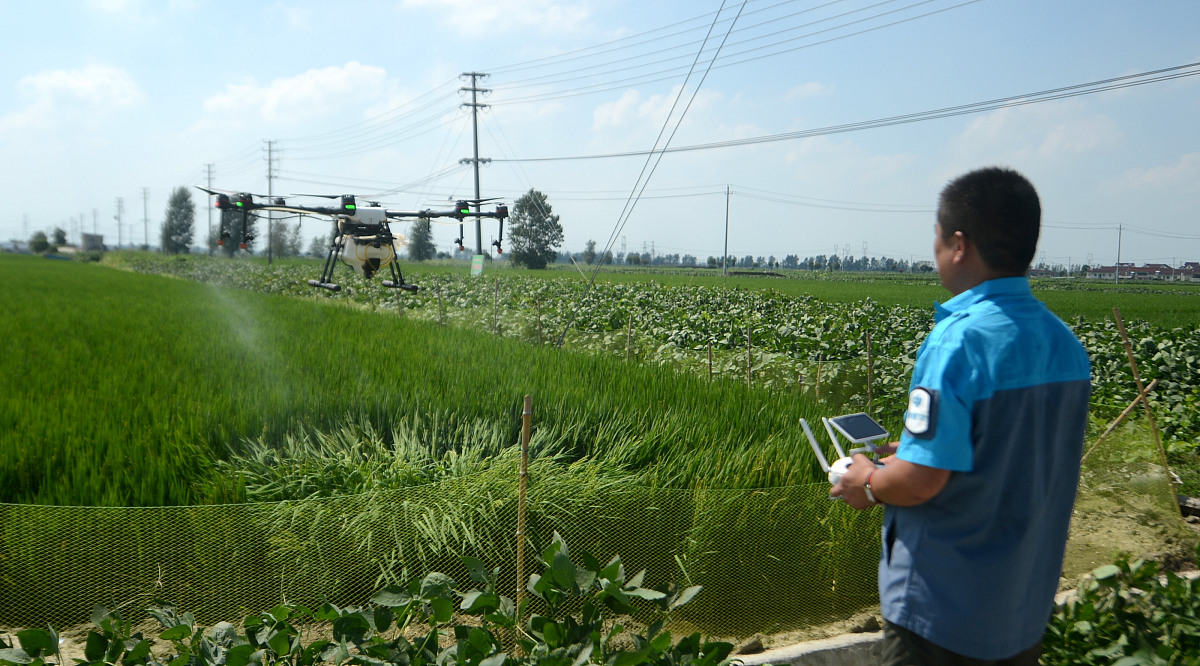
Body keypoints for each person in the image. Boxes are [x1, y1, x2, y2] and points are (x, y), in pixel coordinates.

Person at [830, 167, 1091, 664]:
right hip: (1021, 608)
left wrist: (865, 479)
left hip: (942, 614)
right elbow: (1009, 451)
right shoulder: (1065, 344)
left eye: (935, 235)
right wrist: (916, 454)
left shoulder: (958, 340)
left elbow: (919, 482)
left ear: (958, 243)